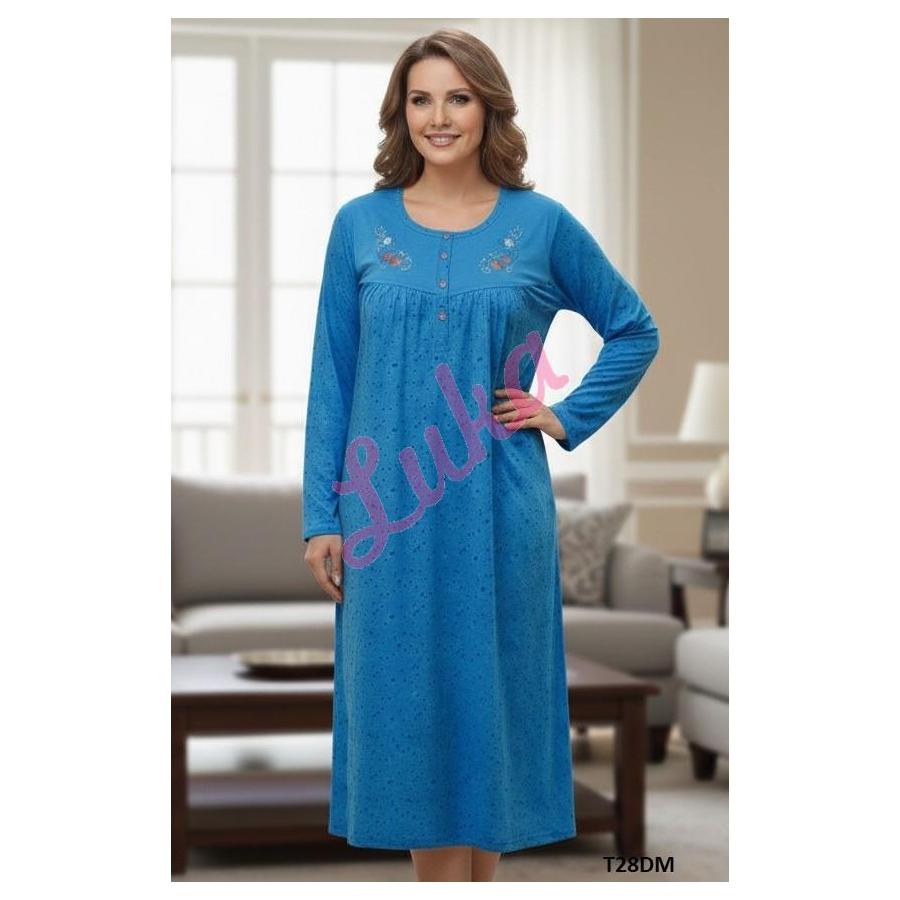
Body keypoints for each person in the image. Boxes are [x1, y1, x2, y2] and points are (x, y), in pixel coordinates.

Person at [302, 28, 660, 882]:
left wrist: (563, 415)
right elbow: (332, 379)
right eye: (421, 99)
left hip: (500, 506)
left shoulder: (542, 226)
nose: (439, 117)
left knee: (489, 706)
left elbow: (633, 329)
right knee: (406, 709)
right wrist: (322, 515)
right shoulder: (360, 227)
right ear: (400, 113)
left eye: (458, 98)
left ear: (488, 107)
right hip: (384, 516)